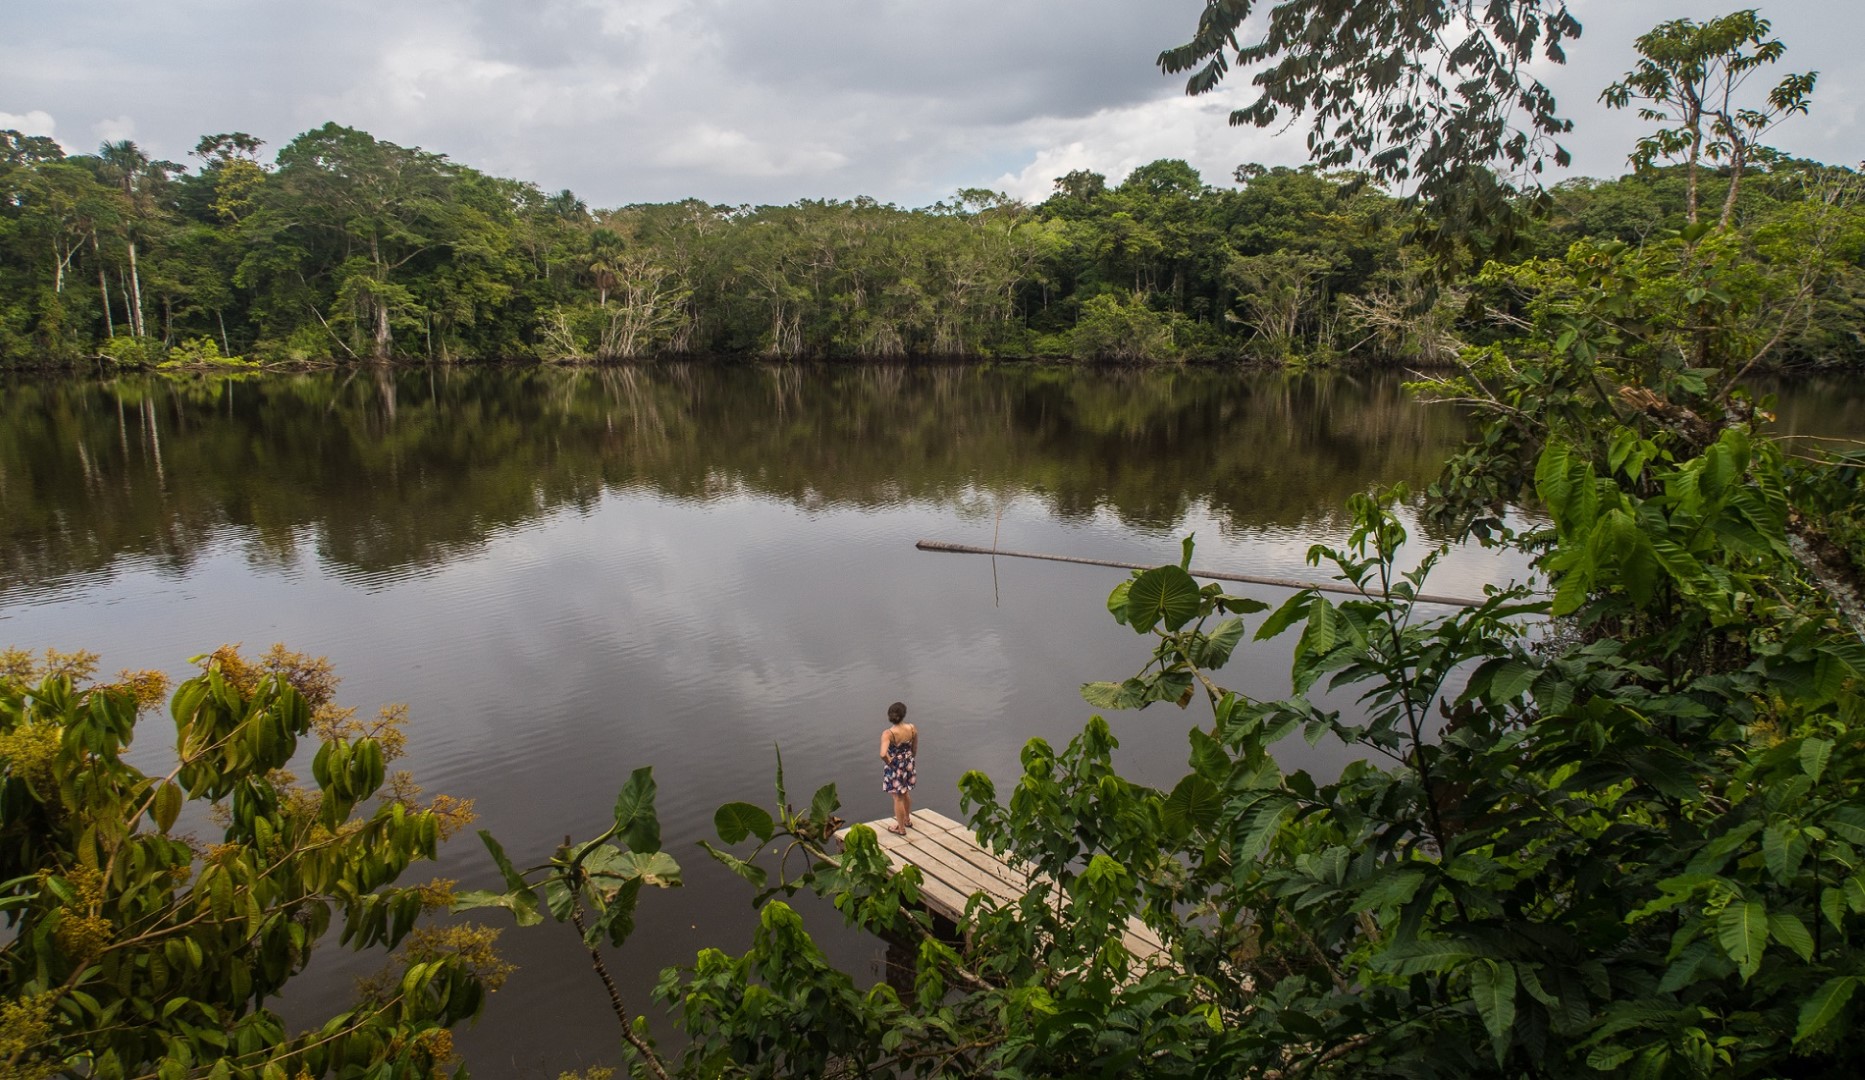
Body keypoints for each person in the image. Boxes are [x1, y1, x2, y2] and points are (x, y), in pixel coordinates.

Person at [879, 701, 917, 835]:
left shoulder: (888, 733)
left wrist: (889, 762)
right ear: (903, 715)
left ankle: (900, 828)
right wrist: (909, 759)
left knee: (897, 798)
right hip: (908, 763)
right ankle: (907, 819)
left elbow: (883, 753)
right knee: (905, 792)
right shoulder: (912, 728)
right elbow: (914, 748)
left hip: (895, 766)